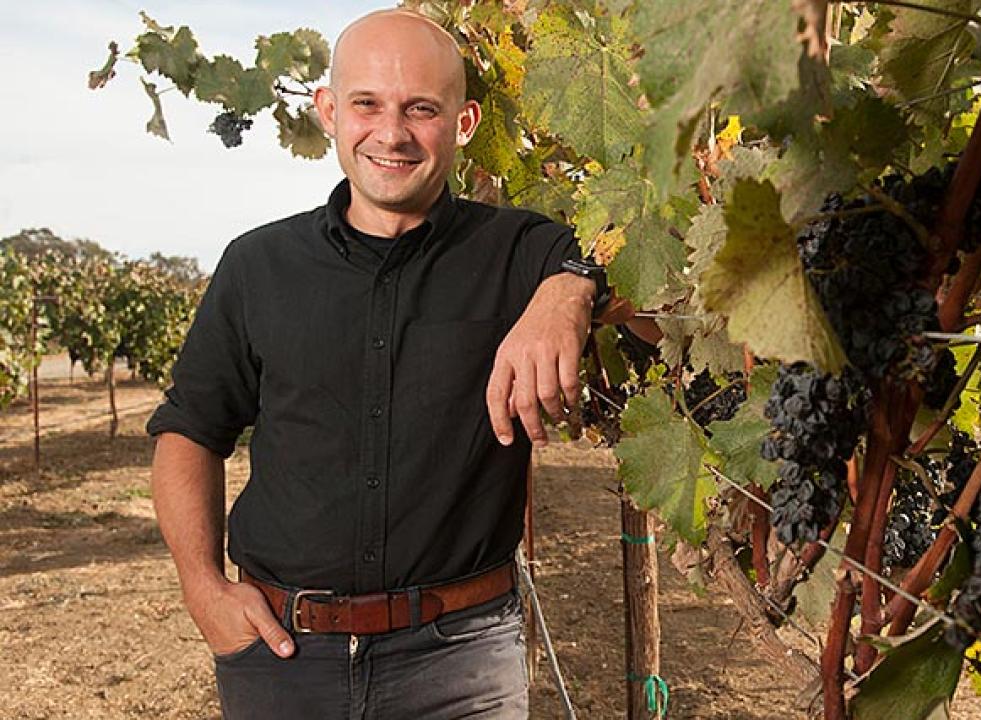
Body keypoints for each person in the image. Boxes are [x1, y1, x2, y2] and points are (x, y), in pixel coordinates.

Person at [147, 9, 650, 718]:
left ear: (465, 121)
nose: (391, 134)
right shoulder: (257, 265)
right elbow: (190, 430)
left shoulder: (520, 250)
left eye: (421, 108)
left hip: (461, 661)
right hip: (282, 656)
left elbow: (625, 266)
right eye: (366, 105)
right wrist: (202, 590)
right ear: (328, 111)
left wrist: (566, 292)